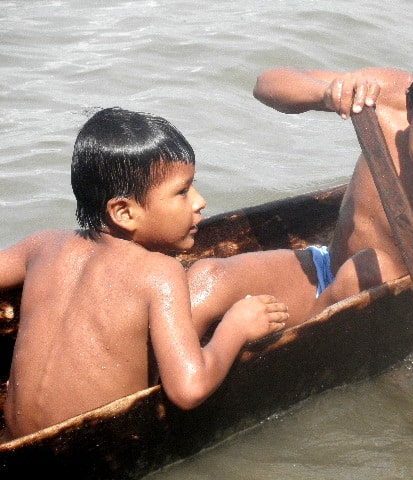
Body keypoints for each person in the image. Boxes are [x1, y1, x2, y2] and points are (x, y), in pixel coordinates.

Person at [190, 31, 413, 359]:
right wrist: (325, 94)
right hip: (325, 267)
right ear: (410, 107)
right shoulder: (385, 96)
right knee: (206, 277)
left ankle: (288, 352)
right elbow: (266, 84)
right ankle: (178, 378)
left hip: (377, 308)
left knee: (364, 270)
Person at [0, 107, 289, 440]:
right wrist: (235, 327)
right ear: (123, 212)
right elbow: (188, 388)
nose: (200, 201)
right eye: (182, 191)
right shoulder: (159, 273)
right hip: (86, 455)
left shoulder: (42, 246)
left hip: (13, 442)